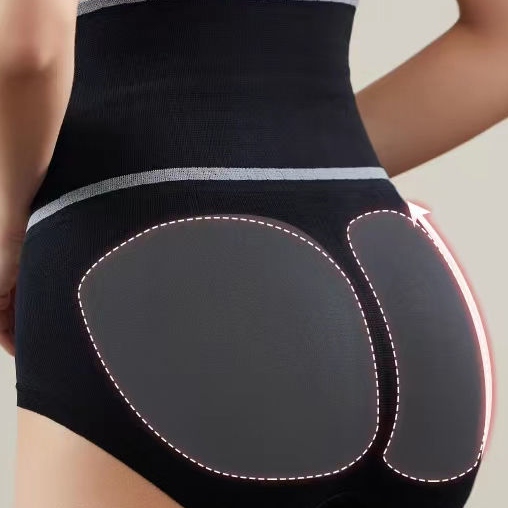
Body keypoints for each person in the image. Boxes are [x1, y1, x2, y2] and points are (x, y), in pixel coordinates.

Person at [0, 0, 503, 507]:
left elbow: (28, 46)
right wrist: (281, 157)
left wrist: (8, 234)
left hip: (157, 278)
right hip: (404, 286)